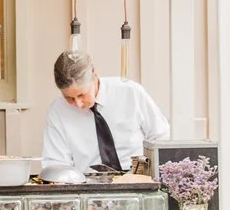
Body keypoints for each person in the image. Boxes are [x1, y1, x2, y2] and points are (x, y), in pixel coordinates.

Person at [42, 50, 171, 175]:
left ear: (95, 77)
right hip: (89, 182)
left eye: (82, 95)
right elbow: (56, 162)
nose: (78, 104)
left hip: (138, 177)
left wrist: (152, 175)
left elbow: (159, 137)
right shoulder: (57, 111)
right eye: (69, 98)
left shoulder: (131, 92)